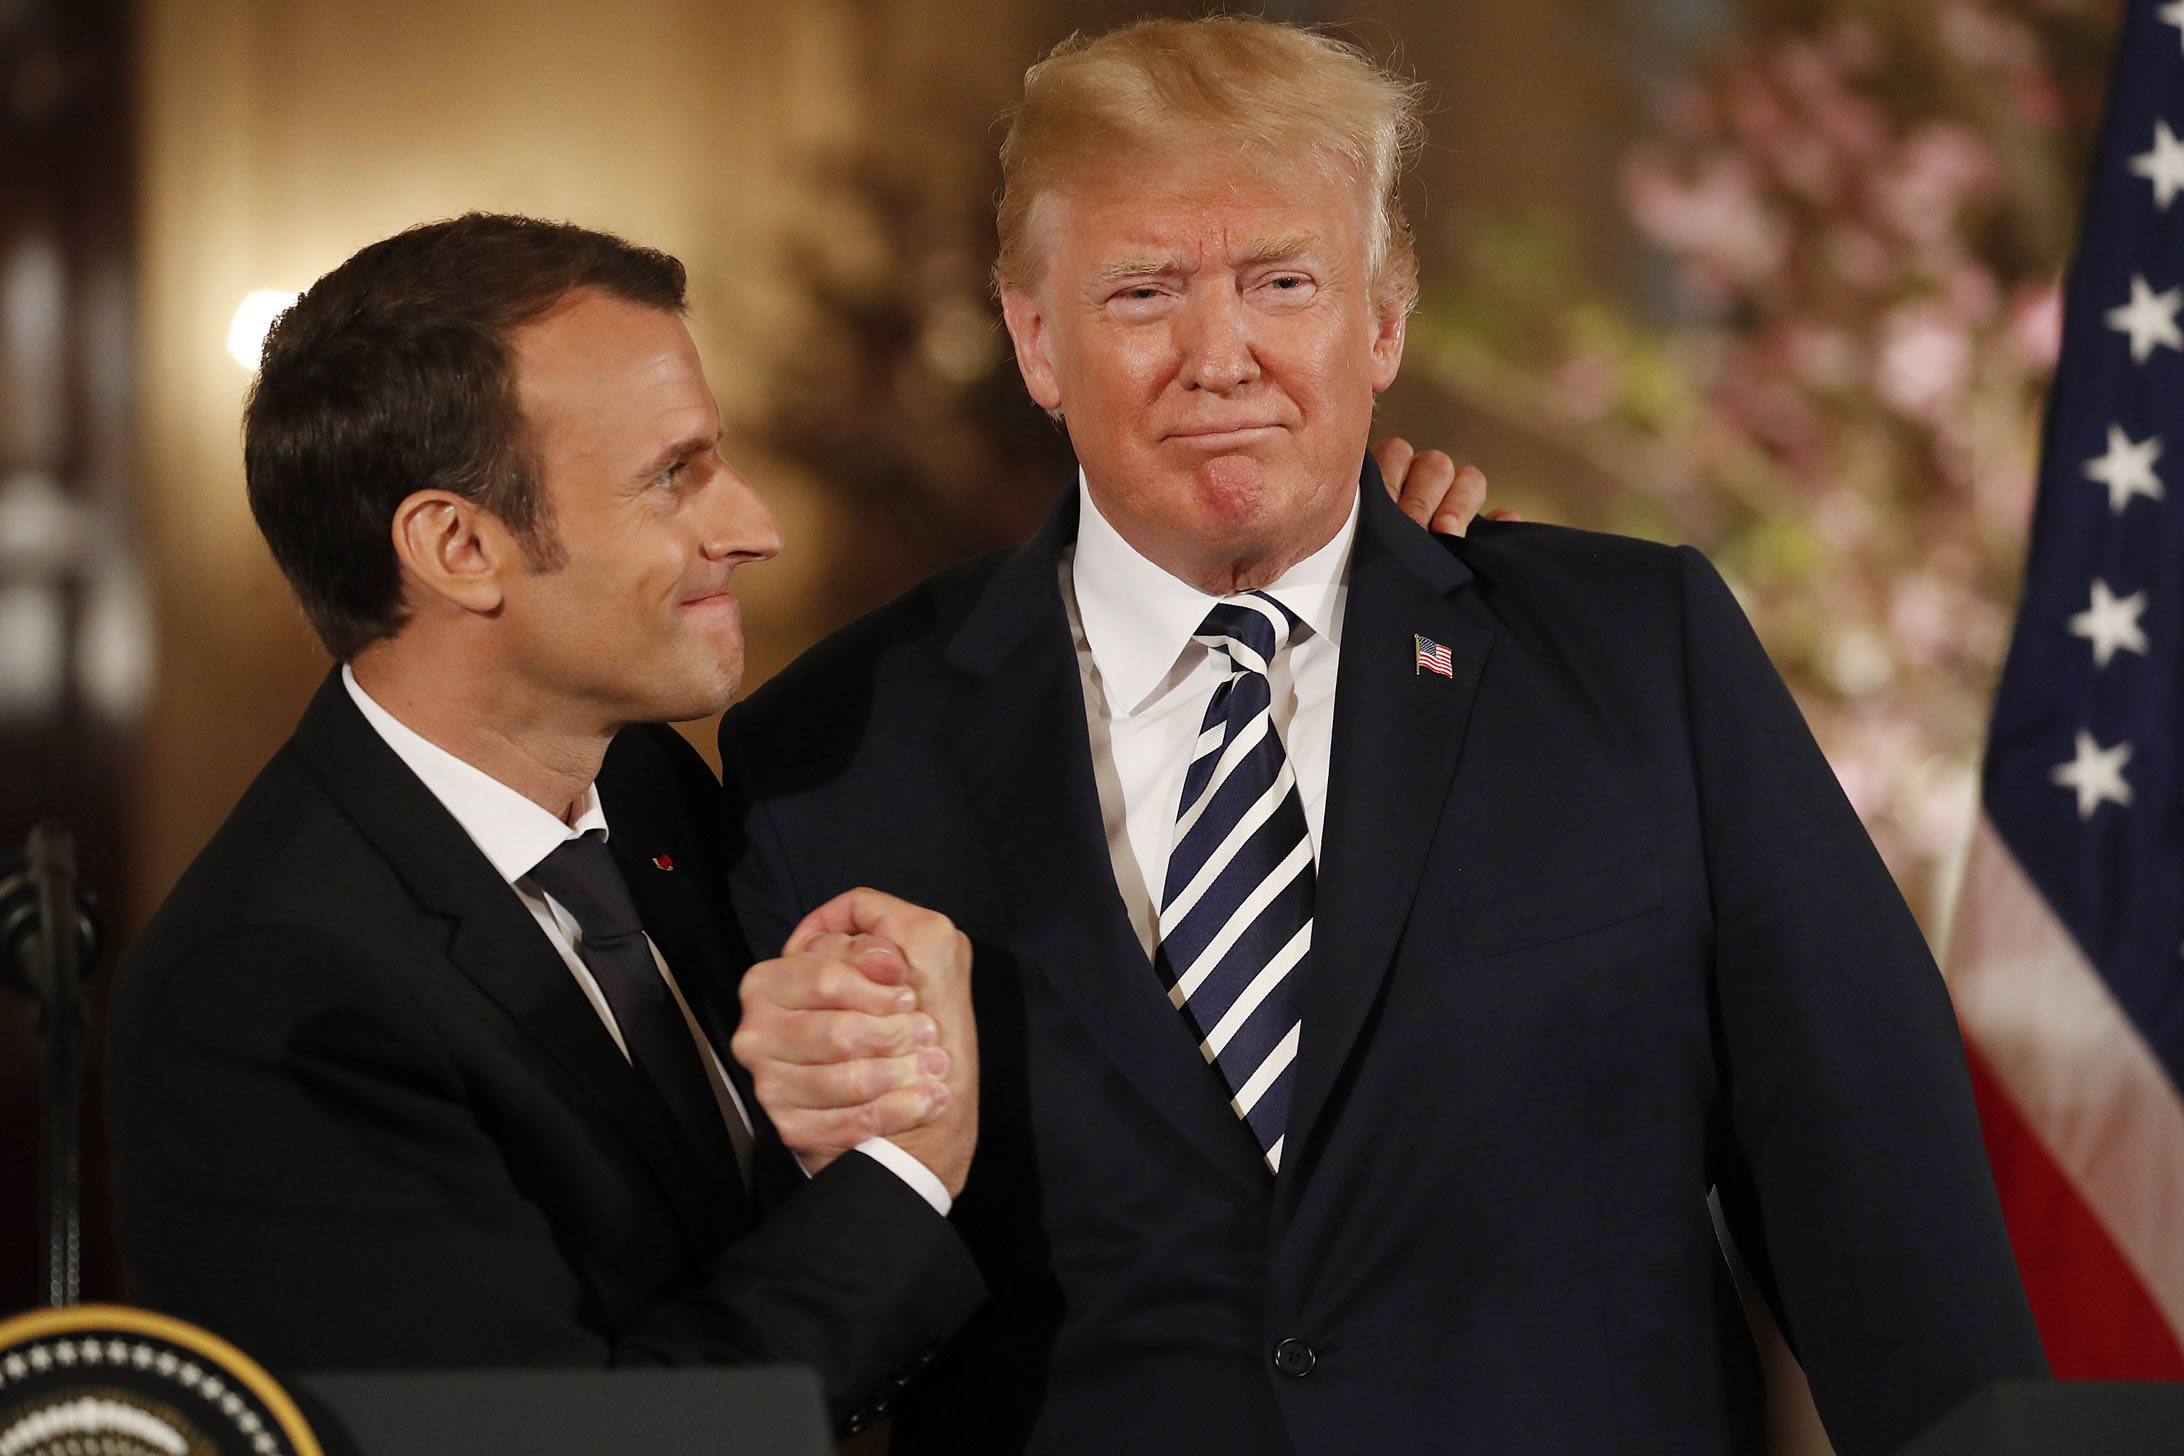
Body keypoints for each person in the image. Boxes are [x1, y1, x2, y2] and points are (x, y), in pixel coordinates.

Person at [720, 17, 2049, 1456]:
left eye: (1282, 282)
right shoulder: (836, 747)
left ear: (1385, 318)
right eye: (1143, 291)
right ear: (1037, 337)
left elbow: (1881, 1204)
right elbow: (792, 1303)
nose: (1216, 356)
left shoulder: (1635, 653)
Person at [102, 215, 992, 1436]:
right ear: (459, 546)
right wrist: (902, 1169)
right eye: (675, 474)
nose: (755, 524)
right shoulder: (264, 999)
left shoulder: (651, 788)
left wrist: (851, 1045)